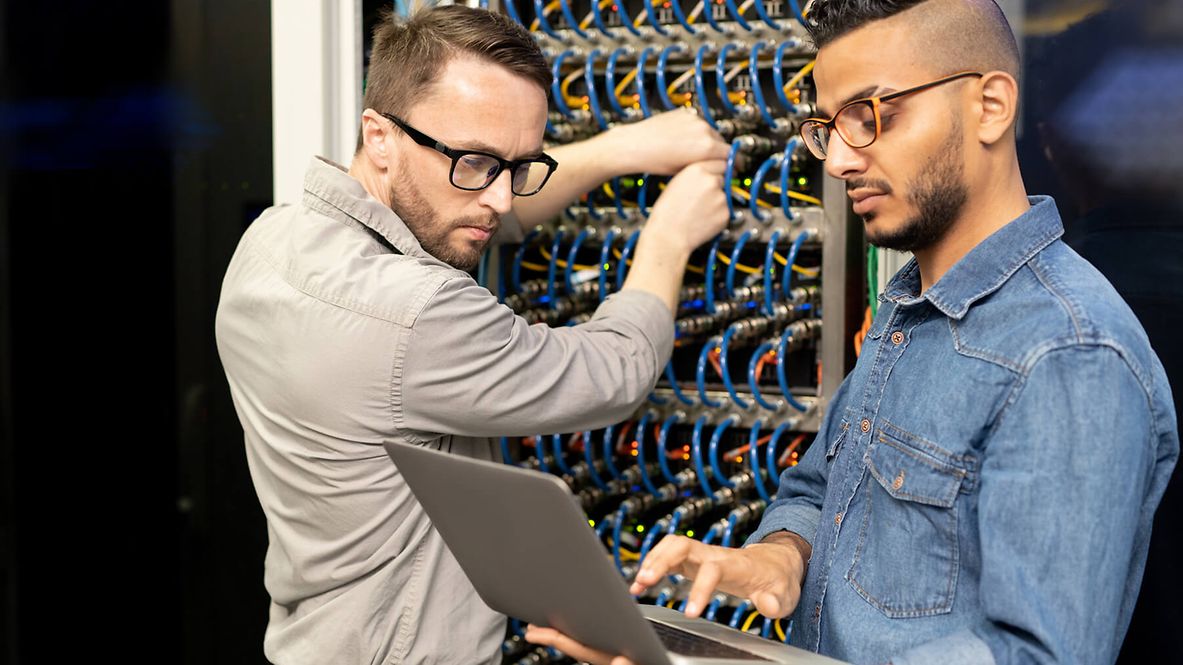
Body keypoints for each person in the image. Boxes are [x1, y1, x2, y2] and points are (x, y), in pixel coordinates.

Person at [524, 1, 1180, 663]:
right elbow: (817, 490)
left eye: (871, 116)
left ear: (990, 105)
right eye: (825, 127)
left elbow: (1033, 657)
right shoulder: (908, 309)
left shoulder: (1067, 353)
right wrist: (781, 555)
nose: (837, 159)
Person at [214, 5, 729, 664]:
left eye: (519, 167)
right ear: (379, 138)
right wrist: (670, 235)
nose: (503, 199)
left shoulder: (272, 240)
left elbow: (461, 217)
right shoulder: (413, 312)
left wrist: (619, 150)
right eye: (477, 162)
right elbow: (613, 369)